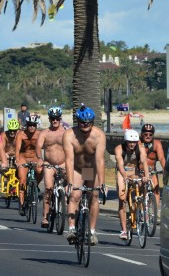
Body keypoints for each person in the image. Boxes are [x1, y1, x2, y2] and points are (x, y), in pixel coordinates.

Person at [63, 105, 106, 246]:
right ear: (77, 122)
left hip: (90, 170)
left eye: (87, 123)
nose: (84, 126)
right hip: (76, 169)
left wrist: (103, 183)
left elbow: (100, 160)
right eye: (82, 123)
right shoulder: (69, 135)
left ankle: (92, 232)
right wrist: (69, 183)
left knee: (93, 197)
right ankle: (71, 229)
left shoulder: (99, 136)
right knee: (74, 195)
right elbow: (68, 160)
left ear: (92, 123)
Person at [115, 129, 150, 240]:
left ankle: (142, 205)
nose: (132, 144)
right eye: (129, 142)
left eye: (134, 142)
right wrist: (124, 175)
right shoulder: (119, 148)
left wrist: (146, 176)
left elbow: (144, 162)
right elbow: (120, 164)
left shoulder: (141, 149)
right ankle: (124, 230)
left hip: (134, 172)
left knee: (143, 184)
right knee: (122, 198)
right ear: (126, 141)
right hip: (122, 173)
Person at [36, 106, 67, 228]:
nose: (55, 121)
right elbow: (38, 146)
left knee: (71, 186)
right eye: (53, 119)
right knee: (48, 188)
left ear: (60, 119)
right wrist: (39, 158)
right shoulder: (45, 133)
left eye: (57, 118)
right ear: (49, 119)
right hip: (49, 164)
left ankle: (68, 208)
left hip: (63, 163)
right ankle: (45, 216)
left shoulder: (65, 132)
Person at [15, 114, 42, 215]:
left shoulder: (39, 134)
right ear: (27, 124)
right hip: (23, 157)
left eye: (34, 125)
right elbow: (17, 149)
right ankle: (22, 204)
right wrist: (17, 161)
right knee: (22, 180)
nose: (31, 127)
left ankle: (36, 186)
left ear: (36, 125)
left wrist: (42, 159)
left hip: (35, 156)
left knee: (40, 171)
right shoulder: (21, 134)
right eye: (30, 125)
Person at [140, 123, 166, 221]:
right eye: (145, 134)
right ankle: (143, 211)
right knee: (142, 190)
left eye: (150, 134)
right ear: (142, 134)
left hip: (151, 171)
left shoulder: (157, 144)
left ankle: (155, 211)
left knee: (156, 190)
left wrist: (165, 169)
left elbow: (162, 158)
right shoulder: (137, 143)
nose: (148, 136)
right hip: (140, 171)